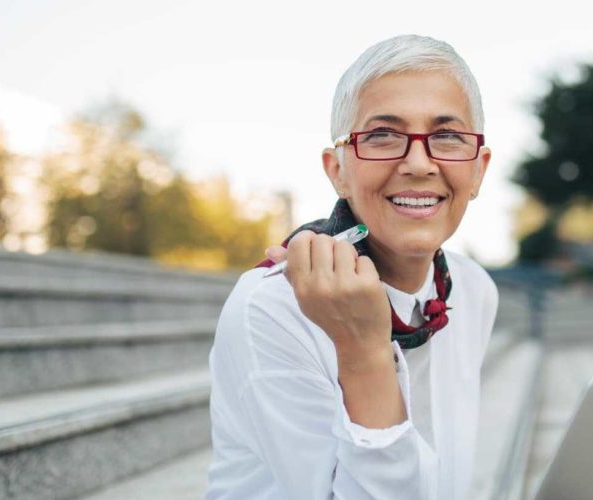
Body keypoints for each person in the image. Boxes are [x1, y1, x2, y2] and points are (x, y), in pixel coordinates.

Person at [205, 35, 498, 499]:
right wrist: (362, 354)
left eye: (446, 136)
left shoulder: (474, 288)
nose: (418, 164)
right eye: (382, 136)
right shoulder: (271, 307)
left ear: (478, 169)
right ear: (337, 170)